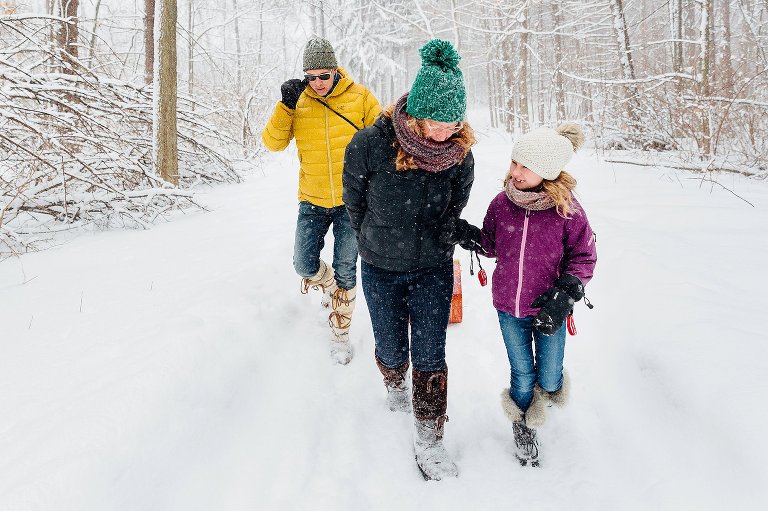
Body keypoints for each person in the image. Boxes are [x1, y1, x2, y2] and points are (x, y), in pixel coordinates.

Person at [343, 39, 475, 480]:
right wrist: (371, 239)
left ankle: (429, 435)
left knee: (431, 353)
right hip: (380, 267)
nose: (445, 133)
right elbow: (354, 202)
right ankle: (394, 381)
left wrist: (443, 232)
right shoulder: (369, 145)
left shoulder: (459, 156)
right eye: (437, 123)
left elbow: (456, 205)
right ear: (416, 113)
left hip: (433, 269)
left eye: (454, 123)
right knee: (391, 346)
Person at [442, 123, 597, 467]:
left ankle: (547, 391)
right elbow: (493, 244)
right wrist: (467, 235)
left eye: (524, 166)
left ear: (547, 171)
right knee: (522, 372)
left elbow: (584, 256)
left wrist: (566, 294)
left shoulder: (567, 211)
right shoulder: (502, 203)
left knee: (550, 375)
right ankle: (523, 422)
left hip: (550, 308)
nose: (514, 172)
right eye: (514, 163)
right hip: (509, 306)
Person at [261, 38, 381, 365]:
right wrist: (285, 105)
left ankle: (340, 335)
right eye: (310, 77)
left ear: (335, 71)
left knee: (346, 268)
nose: (317, 83)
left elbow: (385, 137)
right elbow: (272, 143)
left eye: (323, 76)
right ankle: (330, 289)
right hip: (312, 199)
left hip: (351, 203)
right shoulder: (298, 101)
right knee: (303, 264)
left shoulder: (359, 97)